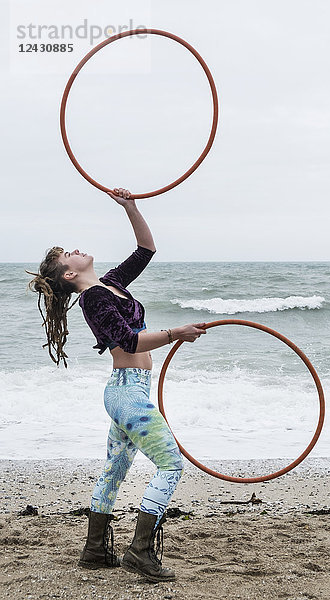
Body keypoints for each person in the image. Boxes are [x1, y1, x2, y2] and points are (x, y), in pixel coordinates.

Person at [28, 188, 207, 582]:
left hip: (131, 389)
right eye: (66, 256)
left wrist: (130, 207)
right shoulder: (93, 299)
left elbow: (146, 249)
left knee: (115, 470)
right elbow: (128, 341)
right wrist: (175, 332)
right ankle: (140, 551)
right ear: (69, 274)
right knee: (171, 464)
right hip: (127, 392)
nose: (74, 250)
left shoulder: (110, 284)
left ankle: (94, 551)